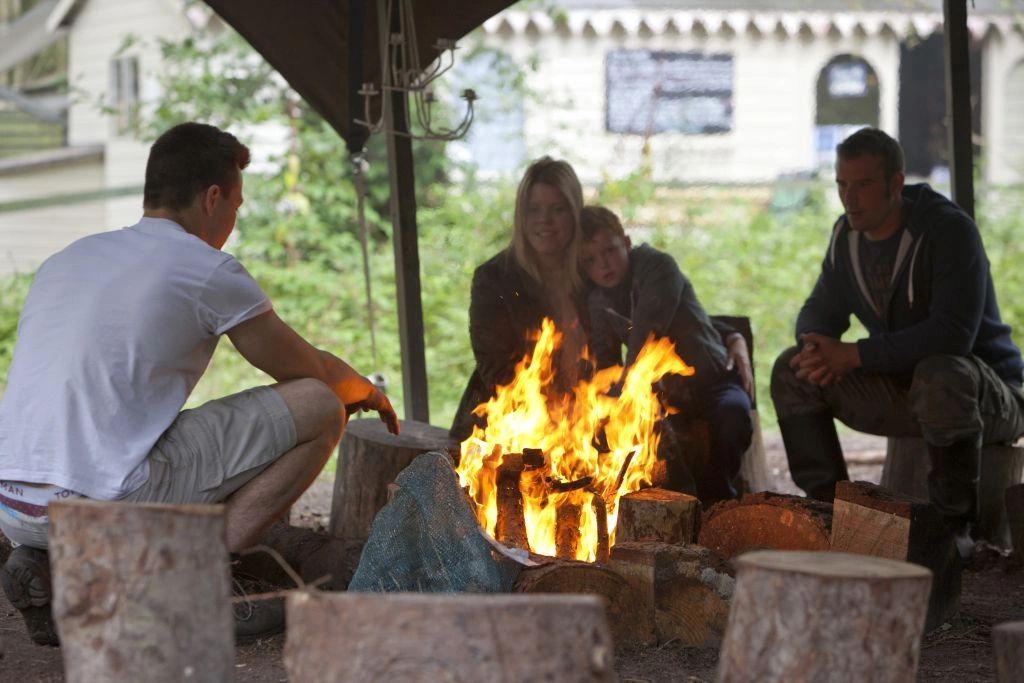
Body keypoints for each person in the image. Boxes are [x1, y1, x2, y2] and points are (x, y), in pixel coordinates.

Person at [0, 122, 398, 645]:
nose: (233, 220)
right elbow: (312, 374)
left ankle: (50, 561)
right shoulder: (205, 268)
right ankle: (195, 584)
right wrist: (366, 390)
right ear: (213, 198)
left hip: (13, 507)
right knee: (320, 406)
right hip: (101, 503)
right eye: (236, 205)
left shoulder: (66, 259)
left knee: (135, 442)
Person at [771, 127, 1024, 552]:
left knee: (941, 373)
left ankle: (953, 535)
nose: (850, 198)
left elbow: (952, 335)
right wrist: (814, 346)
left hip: (988, 398)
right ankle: (830, 516)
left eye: (864, 185)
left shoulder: (948, 230)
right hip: (907, 392)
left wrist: (855, 354)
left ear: (896, 183)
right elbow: (820, 309)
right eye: (842, 185)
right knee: (791, 370)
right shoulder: (847, 236)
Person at [579, 205, 754, 504]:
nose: (603, 264)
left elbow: (647, 333)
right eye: (591, 260)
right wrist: (603, 401)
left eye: (609, 250)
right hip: (665, 395)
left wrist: (625, 392)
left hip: (712, 379)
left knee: (732, 416)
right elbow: (605, 359)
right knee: (638, 432)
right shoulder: (599, 299)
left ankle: (720, 501)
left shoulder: (657, 266)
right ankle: (672, 502)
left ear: (627, 243)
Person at [450, 157, 588, 440]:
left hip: (587, 424)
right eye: (534, 209)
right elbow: (496, 369)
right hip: (506, 427)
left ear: (575, 214)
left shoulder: (593, 274)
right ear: (521, 215)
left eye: (558, 209)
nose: (545, 220)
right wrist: (555, 414)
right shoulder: (494, 278)